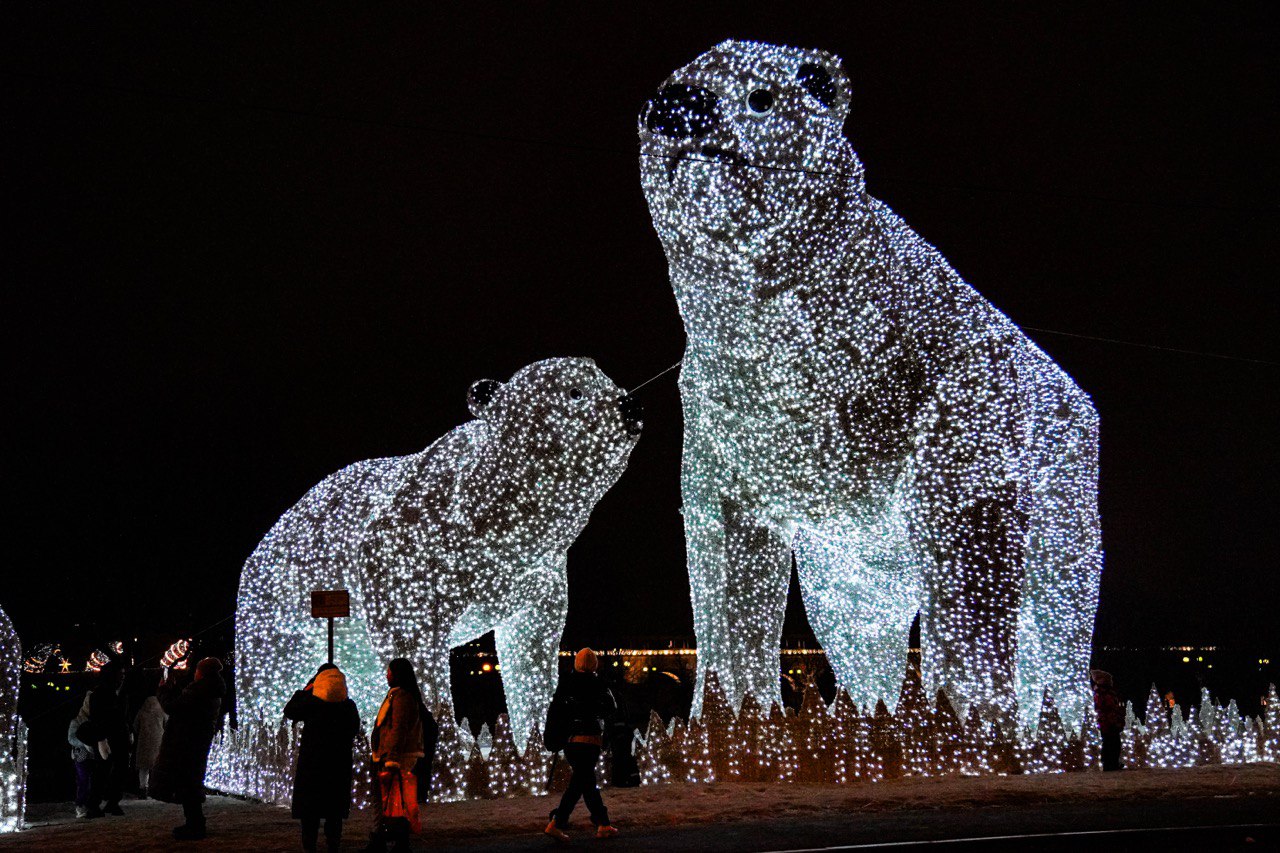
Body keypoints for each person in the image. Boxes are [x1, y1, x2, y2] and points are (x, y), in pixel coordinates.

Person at [284, 663, 361, 853]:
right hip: (338, 765)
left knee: (310, 811)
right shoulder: (348, 706)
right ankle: (333, 844)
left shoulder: (312, 704)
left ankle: (309, 846)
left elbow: (289, 711)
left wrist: (306, 690)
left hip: (313, 765)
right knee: (334, 811)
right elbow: (354, 730)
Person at [544, 648, 619, 842]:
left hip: (571, 742)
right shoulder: (598, 684)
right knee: (582, 783)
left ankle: (602, 823)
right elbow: (611, 708)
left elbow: (556, 713)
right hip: (590, 739)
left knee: (584, 782)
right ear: (594, 664)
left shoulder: (565, 685)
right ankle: (559, 822)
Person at [149, 657, 226, 840]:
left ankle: (195, 825)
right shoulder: (209, 690)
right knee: (190, 782)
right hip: (195, 742)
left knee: (188, 784)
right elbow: (184, 705)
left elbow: (173, 707)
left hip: (186, 743)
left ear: (201, 672)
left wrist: (162, 691)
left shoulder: (200, 690)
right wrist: (174, 690)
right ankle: (194, 823)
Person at [365, 658, 425, 853]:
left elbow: (398, 729)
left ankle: (391, 842)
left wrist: (392, 759)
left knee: (393, 800)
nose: (386, 675)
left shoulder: (401, 697)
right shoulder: (396, 695)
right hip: (387, 754)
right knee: (387, 800)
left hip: (395, 757)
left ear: (397, 674)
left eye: (389, 671)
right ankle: (386, 840)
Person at [87, 660, 132, 815]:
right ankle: (94, 804)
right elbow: (98, 718)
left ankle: (112, 802)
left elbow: (122, 716)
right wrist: (101, 738)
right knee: (102, 771)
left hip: (119, 736)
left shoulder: (118, 692)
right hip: (107, 736)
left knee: (119, 770)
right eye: (120, 674)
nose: (122, 677)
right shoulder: (100, 694)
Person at [133, 674, 168, 796]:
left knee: (143, 767)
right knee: (156, 765)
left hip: (144, 741)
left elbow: (135, 726)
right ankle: (156, 788)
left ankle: (143, 788)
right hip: (158, 739)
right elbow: (167, 722)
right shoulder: (161, 708)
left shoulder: (142, 710)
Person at [68, 689, 101, 818]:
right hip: (81, 756)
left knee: (93, 780)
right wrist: (85, 743)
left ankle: (90, 804)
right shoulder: (76, 721)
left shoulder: (96, 720)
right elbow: (71, 738)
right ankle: (80, 804)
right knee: (83, 780)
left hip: (94, 755)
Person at [1091, 669, 1124, 772]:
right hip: (1107, 722)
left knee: (1113, 742)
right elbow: (1105, 707)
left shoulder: (1106, 692)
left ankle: (1112, 763)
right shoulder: (1102, 693)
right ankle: (1110, 764)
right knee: (1110, 742)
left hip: (1111, 720)